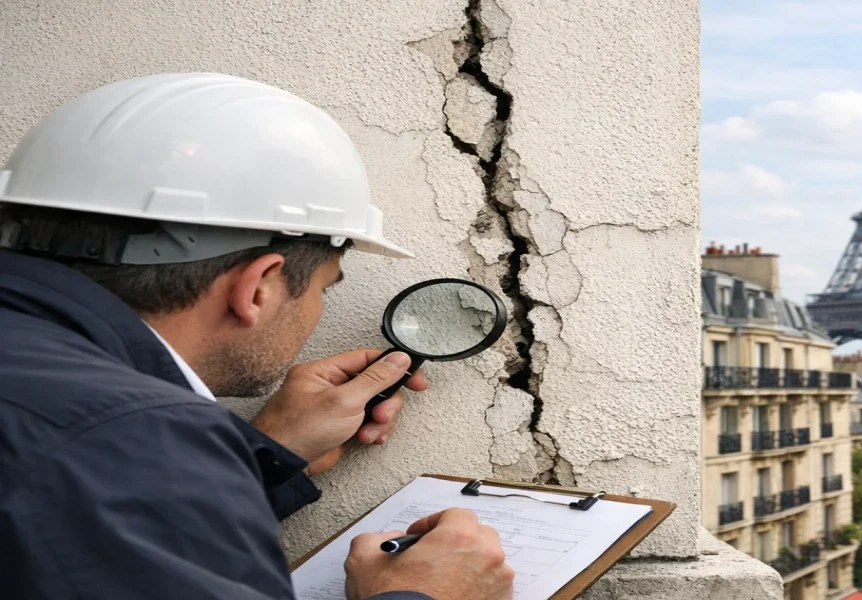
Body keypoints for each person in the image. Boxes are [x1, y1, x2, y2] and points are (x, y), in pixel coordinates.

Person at [0, 73, 514, 600]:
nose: (317, 310)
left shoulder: (97, 429)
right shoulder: (132, 440)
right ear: (258, 288)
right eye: (325, 289)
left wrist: (269, 453)